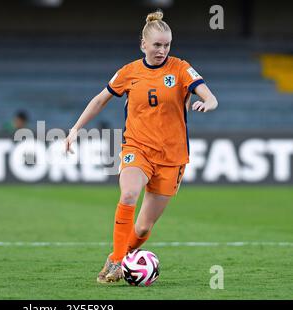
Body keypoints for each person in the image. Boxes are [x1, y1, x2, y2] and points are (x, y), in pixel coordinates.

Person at [64, 10, 218, 283]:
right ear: (143, 44)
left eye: (167, 45)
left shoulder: (181, 68)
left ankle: (118, 258)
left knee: (144, 225)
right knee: (128, 195)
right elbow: (100, 100)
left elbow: (210, 95)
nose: (162, 50)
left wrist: (207, 103)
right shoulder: (129, 72)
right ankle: (117, 262)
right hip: (138, 147)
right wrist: (75, 129)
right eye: (157, 45)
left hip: (172, 156)